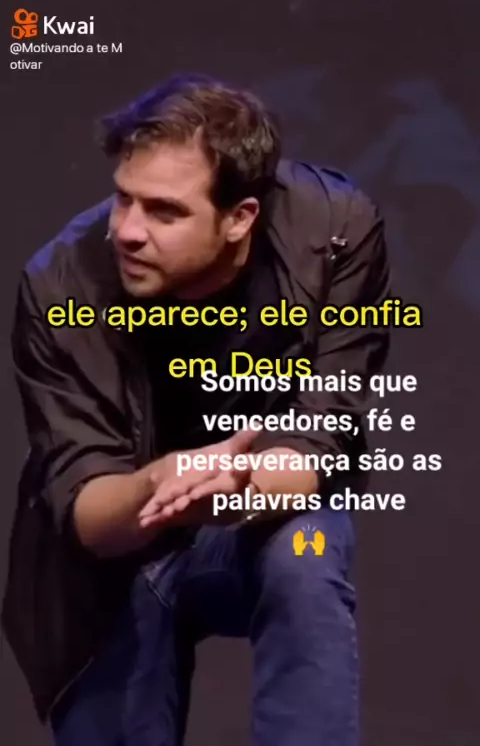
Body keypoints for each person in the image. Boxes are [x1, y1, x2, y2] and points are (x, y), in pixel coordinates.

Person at [2, 73, 391, 746]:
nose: (127, 231)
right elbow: (87, 507)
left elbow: (329, 429)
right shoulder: (57, 281)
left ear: (240, 217)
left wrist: (239, 481)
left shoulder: (334, 230)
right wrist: (162, 483)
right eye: (123, 198)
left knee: (306, 549)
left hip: (260, 513)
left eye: (164, 212)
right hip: (118, 548)